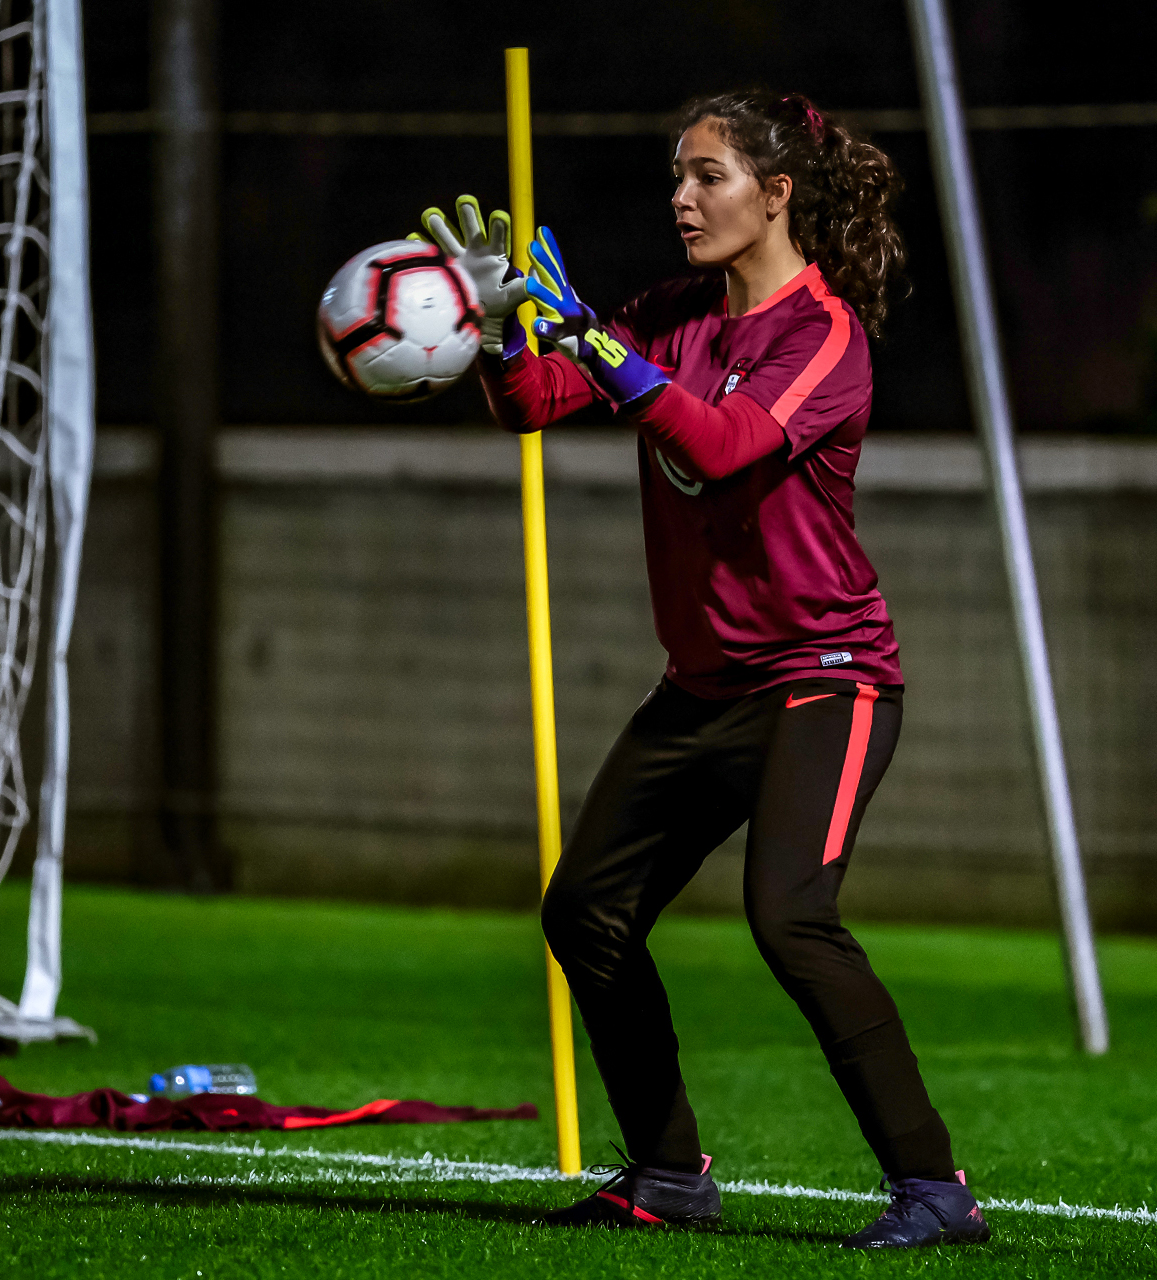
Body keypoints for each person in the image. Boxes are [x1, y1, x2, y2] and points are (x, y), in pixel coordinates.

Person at [418, 90, 988, 1250]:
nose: (682, 198)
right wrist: (487, 327)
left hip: (825, 678)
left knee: (790, 916)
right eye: (678, 176)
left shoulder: (824, 334)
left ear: (778, 194)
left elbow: (724, 448)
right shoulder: (672, 312)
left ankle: (936, 1188)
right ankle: (668, 1171)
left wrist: (596, 341)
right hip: (703, 685)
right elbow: (536, 400)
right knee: (586, 909)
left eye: (709, 176)